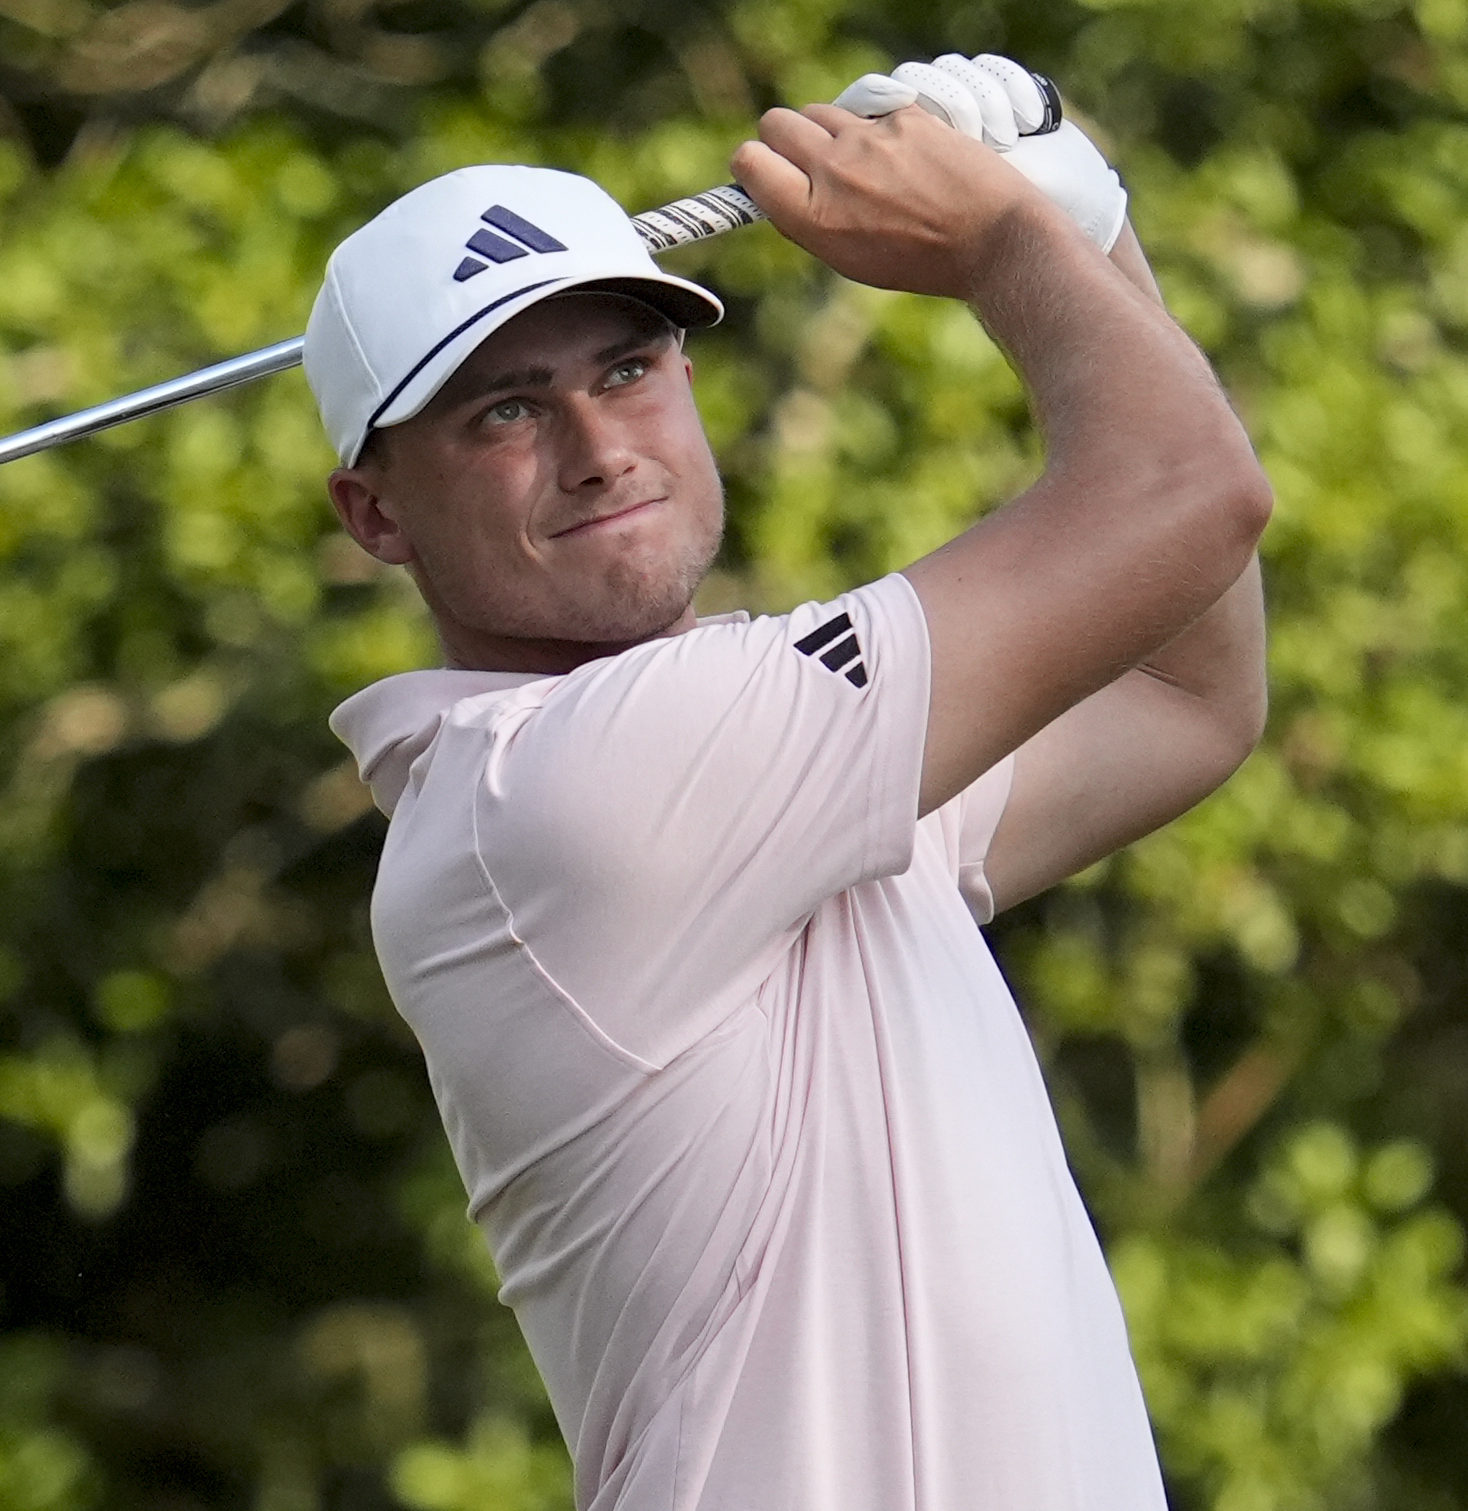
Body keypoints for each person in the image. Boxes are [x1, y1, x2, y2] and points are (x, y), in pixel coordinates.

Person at [304, 53, 1270, 1511]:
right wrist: (1019, 237)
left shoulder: (773, 771)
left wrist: (1082, 225)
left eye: (626, 369)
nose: (595, 450)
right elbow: (1189, 496)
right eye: (502, 413)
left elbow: (1185, 695)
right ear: (376, 511)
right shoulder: (564, 785)